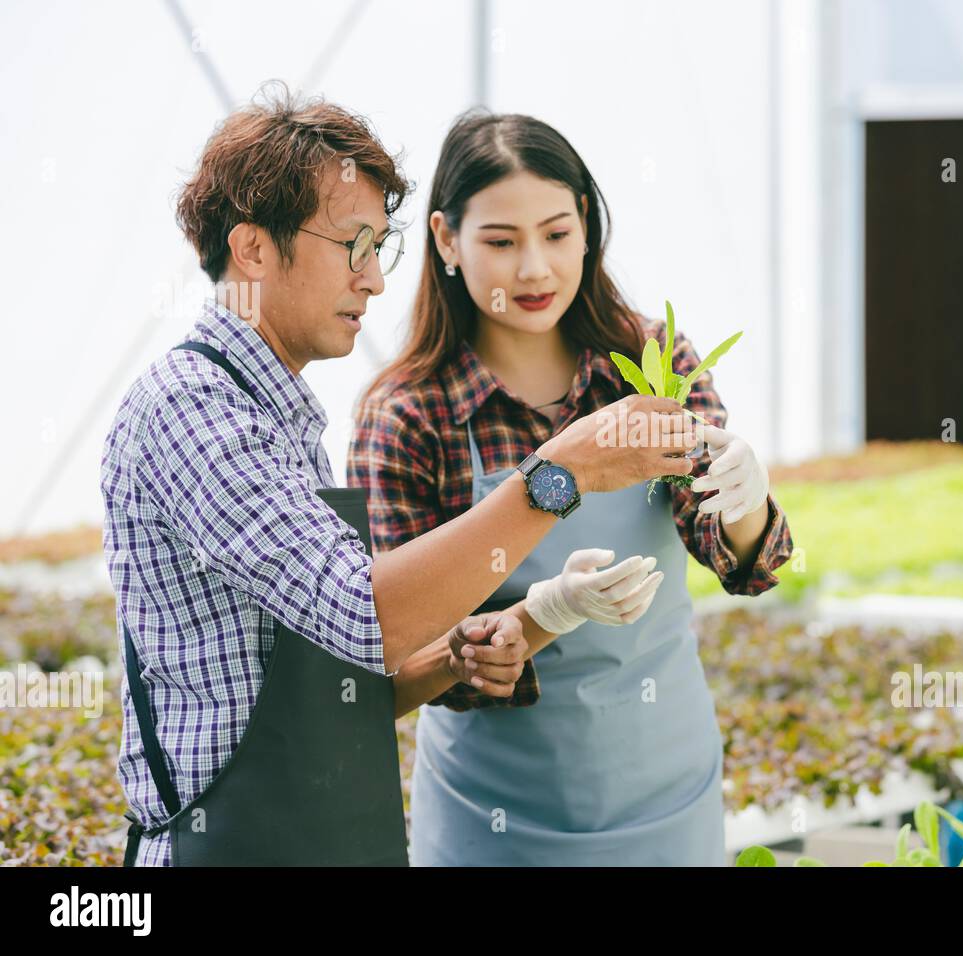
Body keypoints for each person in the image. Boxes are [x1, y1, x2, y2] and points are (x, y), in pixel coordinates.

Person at [100, 84, 692, 866]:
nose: (375, 280)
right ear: (252, 250)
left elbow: (340, 682)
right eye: (352, 245)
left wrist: (493, 638)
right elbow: (363, 616)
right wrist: (559, 474)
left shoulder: (277, 419)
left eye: (382, 247)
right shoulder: (196, 415)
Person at [348, 109, 794, 866]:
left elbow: (746, 564)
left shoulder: (649, 359)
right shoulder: (408, 418)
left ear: (587, 226)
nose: (534, 270)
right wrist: (537, 617)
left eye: (556, 234)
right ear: (446, 240)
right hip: (494, 819)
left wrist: (744, 500)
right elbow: (398, 655)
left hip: (666, 795)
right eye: (500, 241)